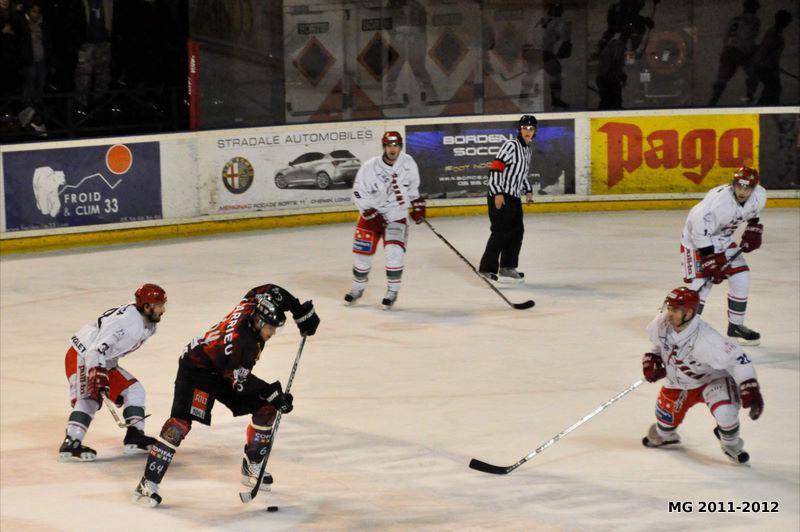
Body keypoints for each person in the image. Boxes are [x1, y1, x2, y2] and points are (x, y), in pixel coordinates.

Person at [132, 284, 319, 507]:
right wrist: (272, 393)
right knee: (179, 426)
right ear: (259, 322)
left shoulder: (252, 306)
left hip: (224, 368)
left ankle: (252, 464)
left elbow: (269, 290)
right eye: (271, 327)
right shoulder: (242, 343)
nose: (273, 333)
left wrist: (299, 310)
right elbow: (240, 382)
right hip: (197, 370)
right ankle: (148, 483)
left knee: (266, 408)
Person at [641, 287, 764, 464]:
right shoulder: (661, 324)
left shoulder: (707, 339)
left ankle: (731, 443)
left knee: (725, 412)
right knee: (663, 427)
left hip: (712, 380)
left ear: (689, 313)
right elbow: (659, 345)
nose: (669, 314)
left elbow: (738, 360)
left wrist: (749, 387)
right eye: (669, 308)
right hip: (677, 383)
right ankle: (666, 434)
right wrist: (652, 358)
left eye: (675, 310)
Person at [58, 283, 166, 462]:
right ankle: (71, 444)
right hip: (83, 355)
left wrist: (102, 370)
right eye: (160, 305)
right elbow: (94, 350)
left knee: (134, 390)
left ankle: (134, 436)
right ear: (147, 307)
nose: (163, 310)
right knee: (90, 398)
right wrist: (96, 372)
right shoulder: (127, 325)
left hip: (103, 360)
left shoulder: (147, 324)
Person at [680, 166, 766, 345]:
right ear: (733, 184)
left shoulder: (760, 195)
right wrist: (711, 263)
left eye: (747, 188)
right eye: (739, 186)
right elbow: (698, 233)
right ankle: (687, 330)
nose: (742, 192)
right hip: (696, 241)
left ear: (754, 188)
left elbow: (753, 214)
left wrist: (753, 229)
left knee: (741, 276)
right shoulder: (717, 204)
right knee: (702, 284)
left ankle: (736, 326)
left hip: (724, 239)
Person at [344, 131, 425, 310]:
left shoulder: (408, 163)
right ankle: (357, 289)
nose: (392, 149)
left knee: (394, 254)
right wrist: (369, 212)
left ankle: (392, 292)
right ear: (384, 147)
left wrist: (417, 204)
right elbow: (357, 192)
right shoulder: (370, 167)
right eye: (389, 145)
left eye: (395, 145)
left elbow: (413, 188)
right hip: (370, 217)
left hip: (397, 216)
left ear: (400, 147)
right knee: (362, 255)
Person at [478, 115, 535, 282]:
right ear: (519, 129)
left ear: (535, 131)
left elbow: (521, 173)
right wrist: (497, 192)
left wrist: (528, 190)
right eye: (525, 128)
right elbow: (496, 167)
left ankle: (507, 267)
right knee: (500, 232)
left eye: (531, 128)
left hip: (514, 197)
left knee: (517, 232)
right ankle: (486, 268)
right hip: (501, 195)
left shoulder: (527, 148)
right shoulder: (511, 145)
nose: (528, 131)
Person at [520, 1, 572, 109]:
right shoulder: (560, 22)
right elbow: (565, 40)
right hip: (543, 52)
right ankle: (556, 100)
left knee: (530, 75)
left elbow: (529, 36)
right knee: (555, 74)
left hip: (530, 51)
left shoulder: (539, 19)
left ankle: (523, 99)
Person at [708, 0, 761, 106]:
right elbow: (748, 37)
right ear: (754, 8)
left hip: (728, 50)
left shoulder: (735, 19)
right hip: (740, 51)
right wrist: (752, 51)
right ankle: (749, 101)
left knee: (721, 80)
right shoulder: (754, 20)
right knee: (753, 76)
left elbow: (726, 36)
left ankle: (712, 103)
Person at [753, 9, 793, 105]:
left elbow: (769, 53)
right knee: (774, 88)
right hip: (766, 68)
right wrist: (770, 67)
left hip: (766, 67)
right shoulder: (775, 34)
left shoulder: (773, 33)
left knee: (771, 89)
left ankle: (762, 108)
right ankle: (769, 109)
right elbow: (765, 51)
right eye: (788, 20)